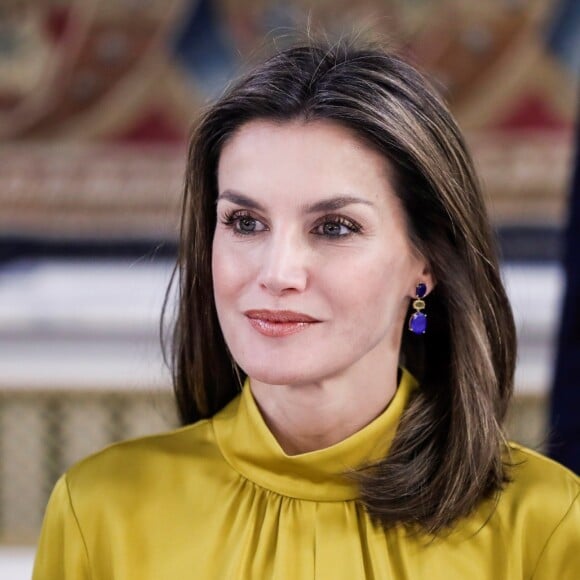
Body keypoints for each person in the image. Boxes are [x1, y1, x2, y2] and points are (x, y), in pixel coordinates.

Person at [33, 37, 579, 579]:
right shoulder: (100, 511)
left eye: (334, 227)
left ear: (425, 262)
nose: (277, 273)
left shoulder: (549, 524)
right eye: (245, 223)